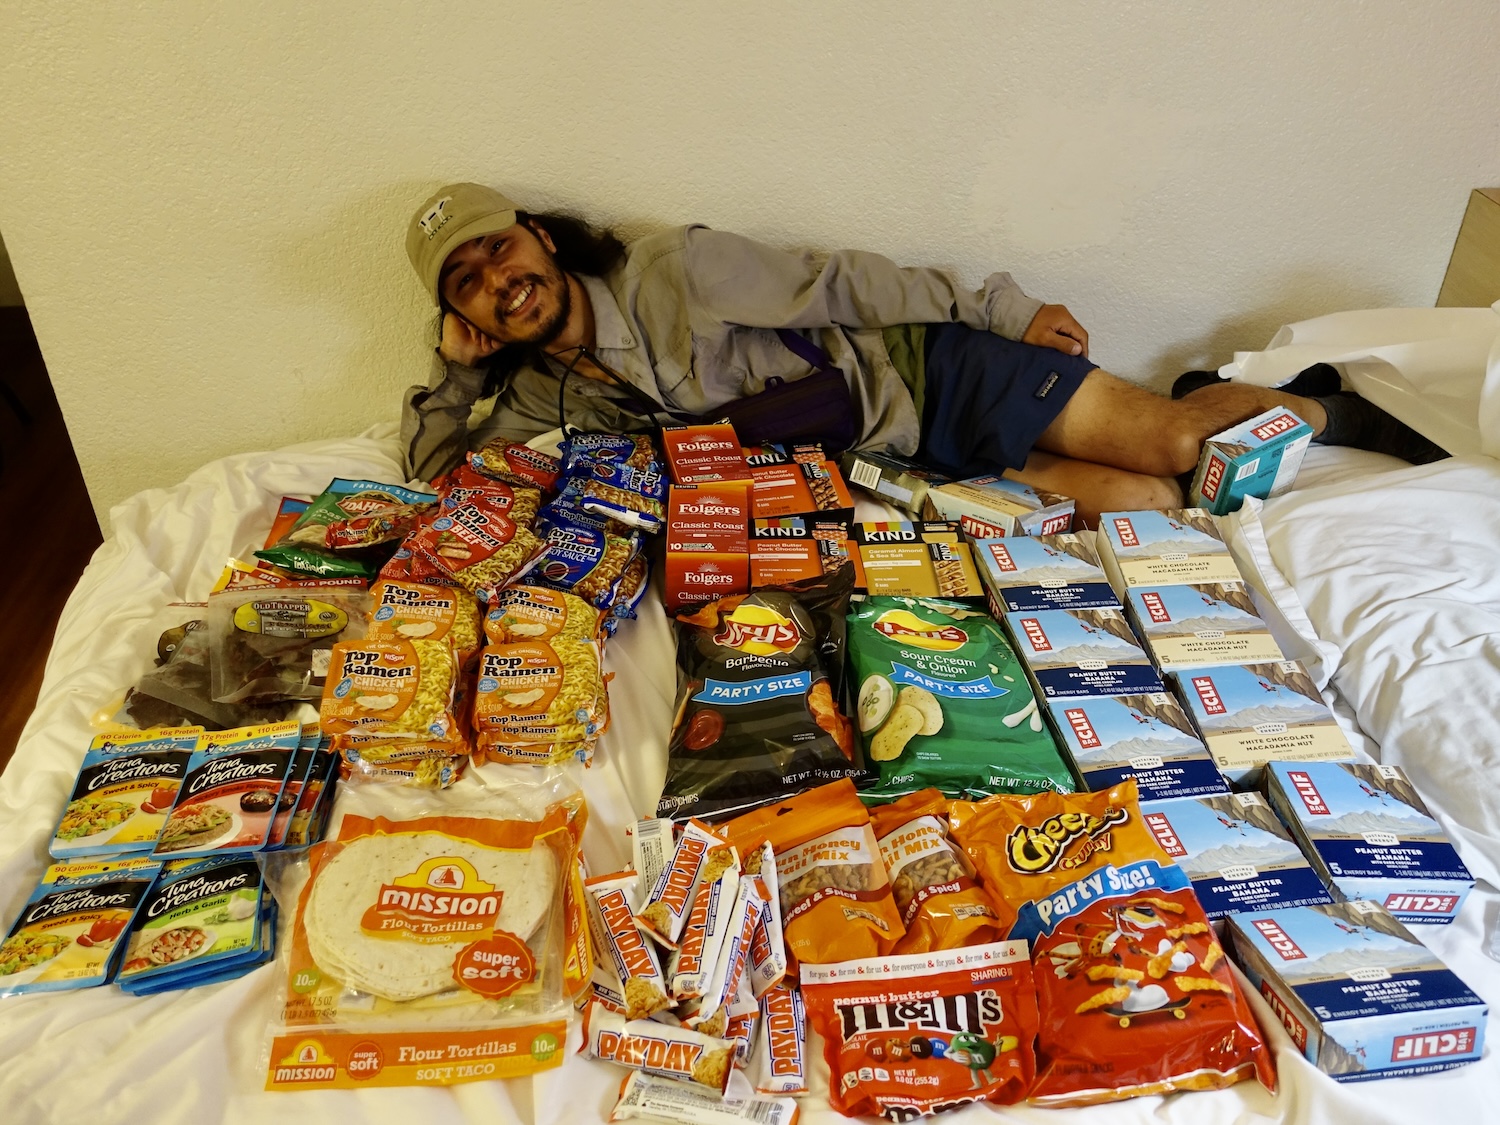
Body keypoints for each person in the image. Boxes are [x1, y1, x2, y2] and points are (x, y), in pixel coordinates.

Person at [401, 182, 1441, 524]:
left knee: (1176, 446)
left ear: (538, 237)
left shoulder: (675, 272)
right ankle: (1207, 396)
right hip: (891, 466)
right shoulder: (546, 395)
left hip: (934, 374)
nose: (498, 280)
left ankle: (1323, 403)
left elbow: (843, 281)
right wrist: (457, 373)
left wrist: (1001, 308)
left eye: (498, 249)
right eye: (468, 283)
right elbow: (442, 483)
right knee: (1151, 505)